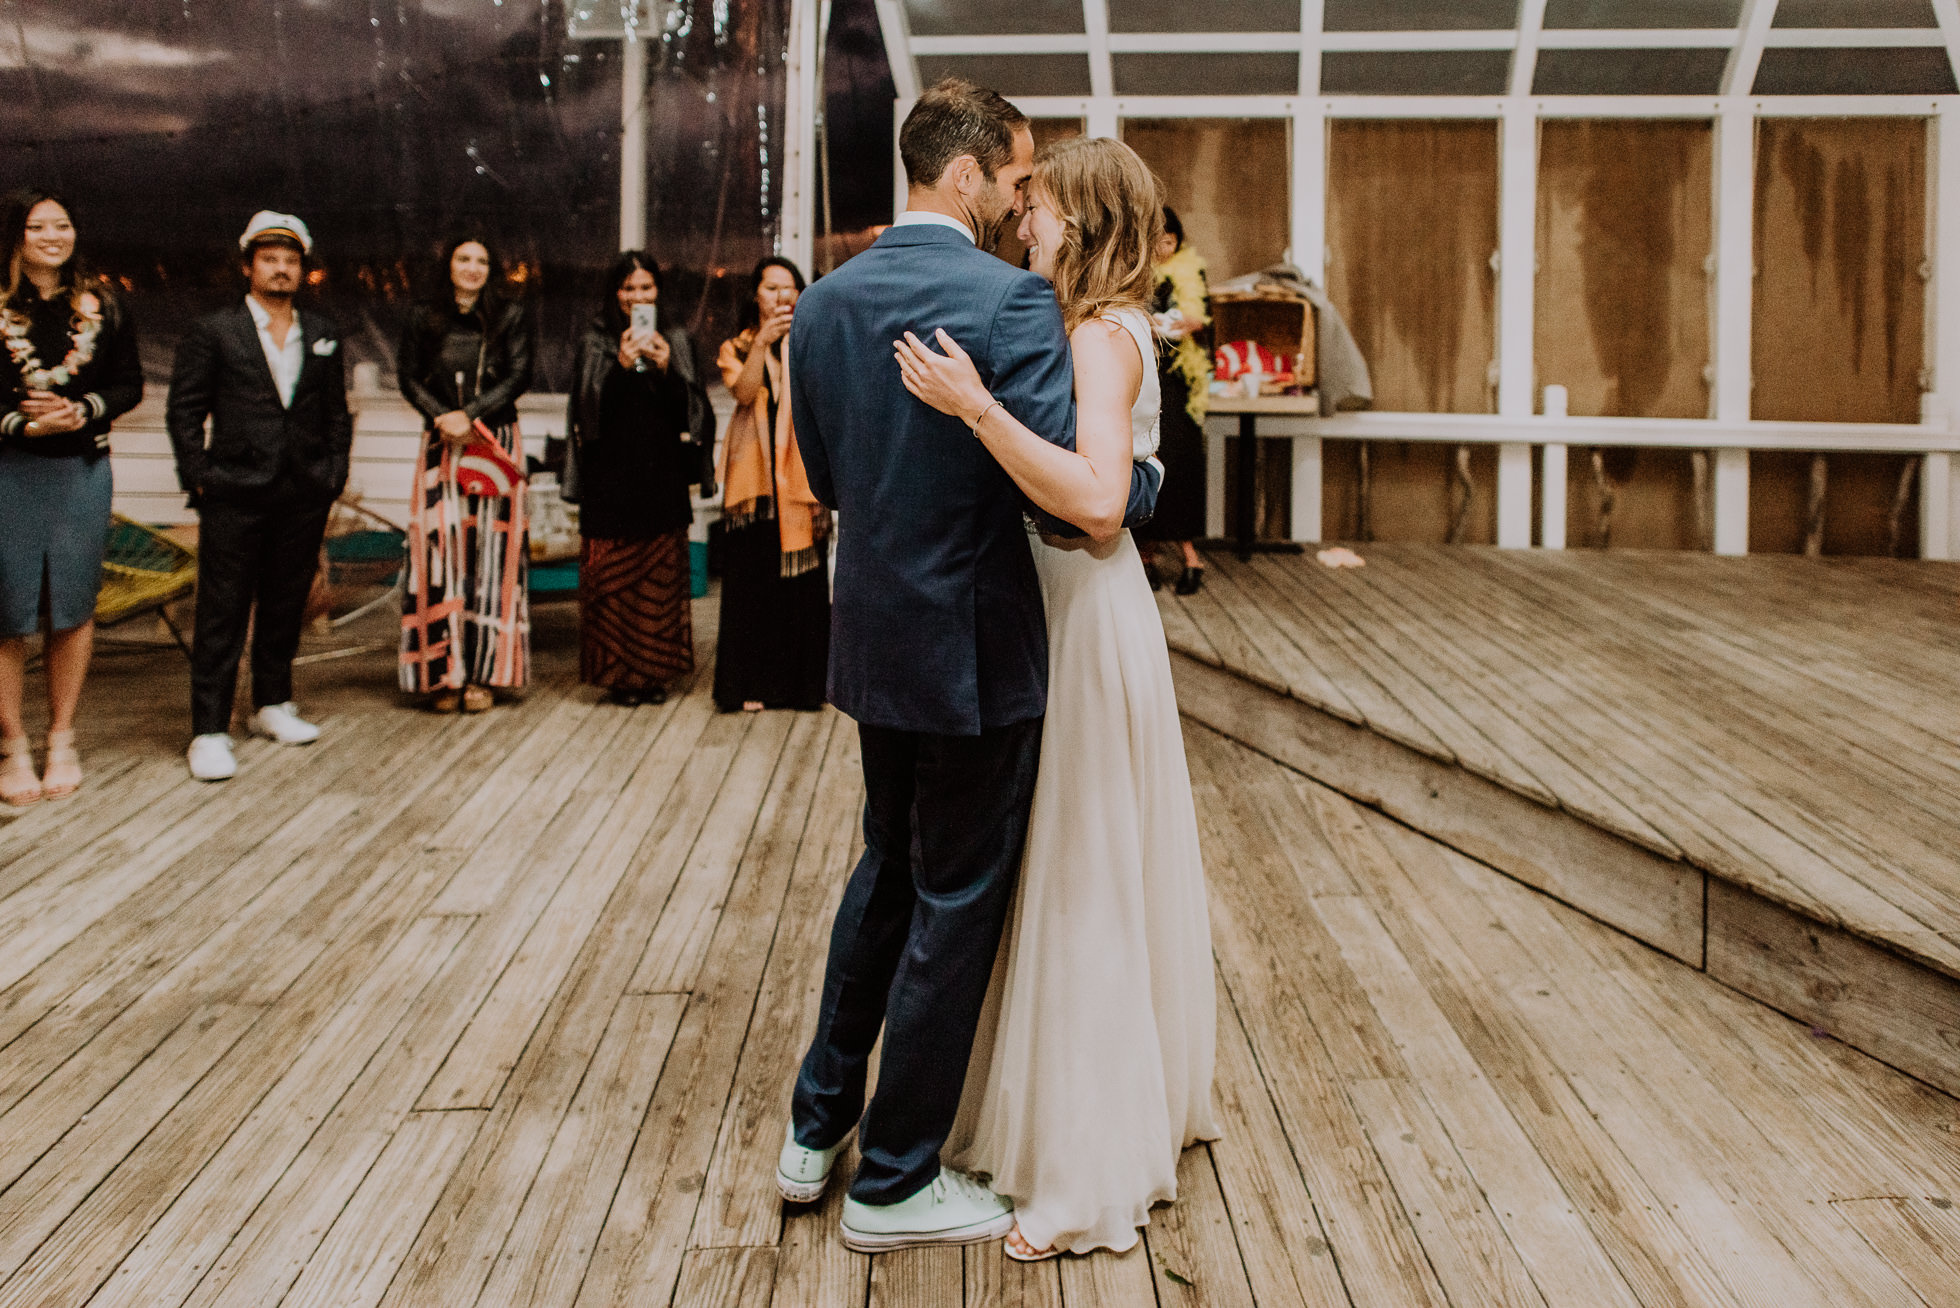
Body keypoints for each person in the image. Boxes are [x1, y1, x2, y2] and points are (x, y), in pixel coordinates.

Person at [777, 78, 1161, 1254]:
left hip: (875, 640)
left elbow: (830, 478)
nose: (1017, 198)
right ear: (965, 174)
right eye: (1012, 175)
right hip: (977, 649)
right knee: (955, 900)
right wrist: (1137, 488)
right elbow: (1068, 510)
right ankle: (893, 1181)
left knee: (883, 870)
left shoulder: (824, 305)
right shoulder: (1006, 306)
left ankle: (814, 1131)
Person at [895, 135, 1218, 1259]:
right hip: (1078, 608)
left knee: (1078, 874)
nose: (1018, 222)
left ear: (1076, 222)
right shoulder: (1104, 326)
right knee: (1078, 866)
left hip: (1082, 606)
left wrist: (975, 408)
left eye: (1035, 208)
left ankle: (1082, 1174)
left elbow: (1092, 503)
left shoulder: (1096, 334)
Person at [166, 211, 351, 781]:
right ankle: (209, 730)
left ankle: (272, 704)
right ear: (248, 266)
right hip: (233, 489)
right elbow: (185, 409)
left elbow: (336, 414)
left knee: (284, 602)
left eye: (291, 261)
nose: (281, 269)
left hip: (302, 490)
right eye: (270, 259)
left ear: (303, 270)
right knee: (222, 610)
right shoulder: (214, 330)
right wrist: (201, 474)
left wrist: (332, 475)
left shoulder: (321, 333)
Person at [0, 190, 142, 806]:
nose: (53, 236)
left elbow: (129, 382)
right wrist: (22, 424)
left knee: (72, 607)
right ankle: (11, 744)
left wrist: (83, 410)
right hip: (9, 470)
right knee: (7, 611)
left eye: (63, 224)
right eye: (38, 226)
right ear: (17, 236)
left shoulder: (104, 305)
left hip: (82, 471)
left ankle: (62, 736)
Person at [396, 234, 536, 712]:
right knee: (438, 551)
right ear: (448, 264)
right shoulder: (422, 314)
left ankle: (484, 676)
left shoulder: (511, 314)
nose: (473, 267)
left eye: (482, 260)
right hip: (441, 442)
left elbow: (520, 374)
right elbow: (408, 376)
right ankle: (442, 674)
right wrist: (443, 416)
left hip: (493, 443)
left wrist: (471, 415)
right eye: (463, 258)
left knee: (492, 558)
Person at [565, 251, 712, 706]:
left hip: (661, 477)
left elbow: (696, 413)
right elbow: (586, 414)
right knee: (611, 581)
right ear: (616, 294)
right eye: (629, 289)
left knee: (658, 582)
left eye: (646, 288)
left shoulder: (678, 340)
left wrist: (668, 370)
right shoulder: (595, 342)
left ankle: (654, 674)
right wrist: (620, 368)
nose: (638, 296)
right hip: (610, 479)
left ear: (658, 293)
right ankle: (617, 677)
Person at [712, 256, 830, 713]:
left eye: (790, 288)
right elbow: (744, 391)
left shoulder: (811, 344)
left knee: (801, 590)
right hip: (755, 488)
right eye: (771, 288)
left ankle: (802, 687)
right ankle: (749, 684)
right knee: (752, 590)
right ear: (755, 296)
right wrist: (763, 340)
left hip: (801, 485)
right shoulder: (737, 346)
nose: (782, 296)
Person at [1140, 205, 1211, 594]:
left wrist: (1188, 324)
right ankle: (1147, 554)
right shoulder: (1135, 272)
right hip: (1147, 375)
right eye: (1159, 240)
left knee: (1181, 463)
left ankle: (1189, 556)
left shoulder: (1191, 271)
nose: (1166, 246)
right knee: (1151, 456)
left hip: (1180, 378)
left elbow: (1202, 319)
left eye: (1171, 239)